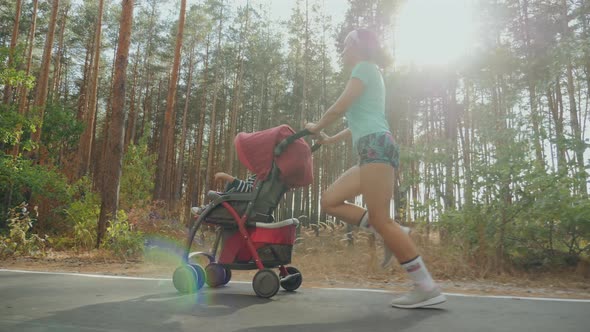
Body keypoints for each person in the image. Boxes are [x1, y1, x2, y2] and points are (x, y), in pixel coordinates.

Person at [305, 28, 446, 308]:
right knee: (330, 200)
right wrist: (330, 138)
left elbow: (339, 107)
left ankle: (425, 286)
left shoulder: (365, 68)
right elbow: (359, 117)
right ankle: (390, 232)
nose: (342, 50)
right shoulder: (367, 72)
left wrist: (316, 126)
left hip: (376, 147)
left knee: (383, 219)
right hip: (372, 147)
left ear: (358, 46)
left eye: (346, 44)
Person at [191, 172, 257, 216]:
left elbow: (249, 190)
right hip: (241, 204)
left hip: (242, 206)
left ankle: (211, 209)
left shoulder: (263, 175)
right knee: (231, 185)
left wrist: (227, 177)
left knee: (232, 184)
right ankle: (214, 207)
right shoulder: (259, 174)